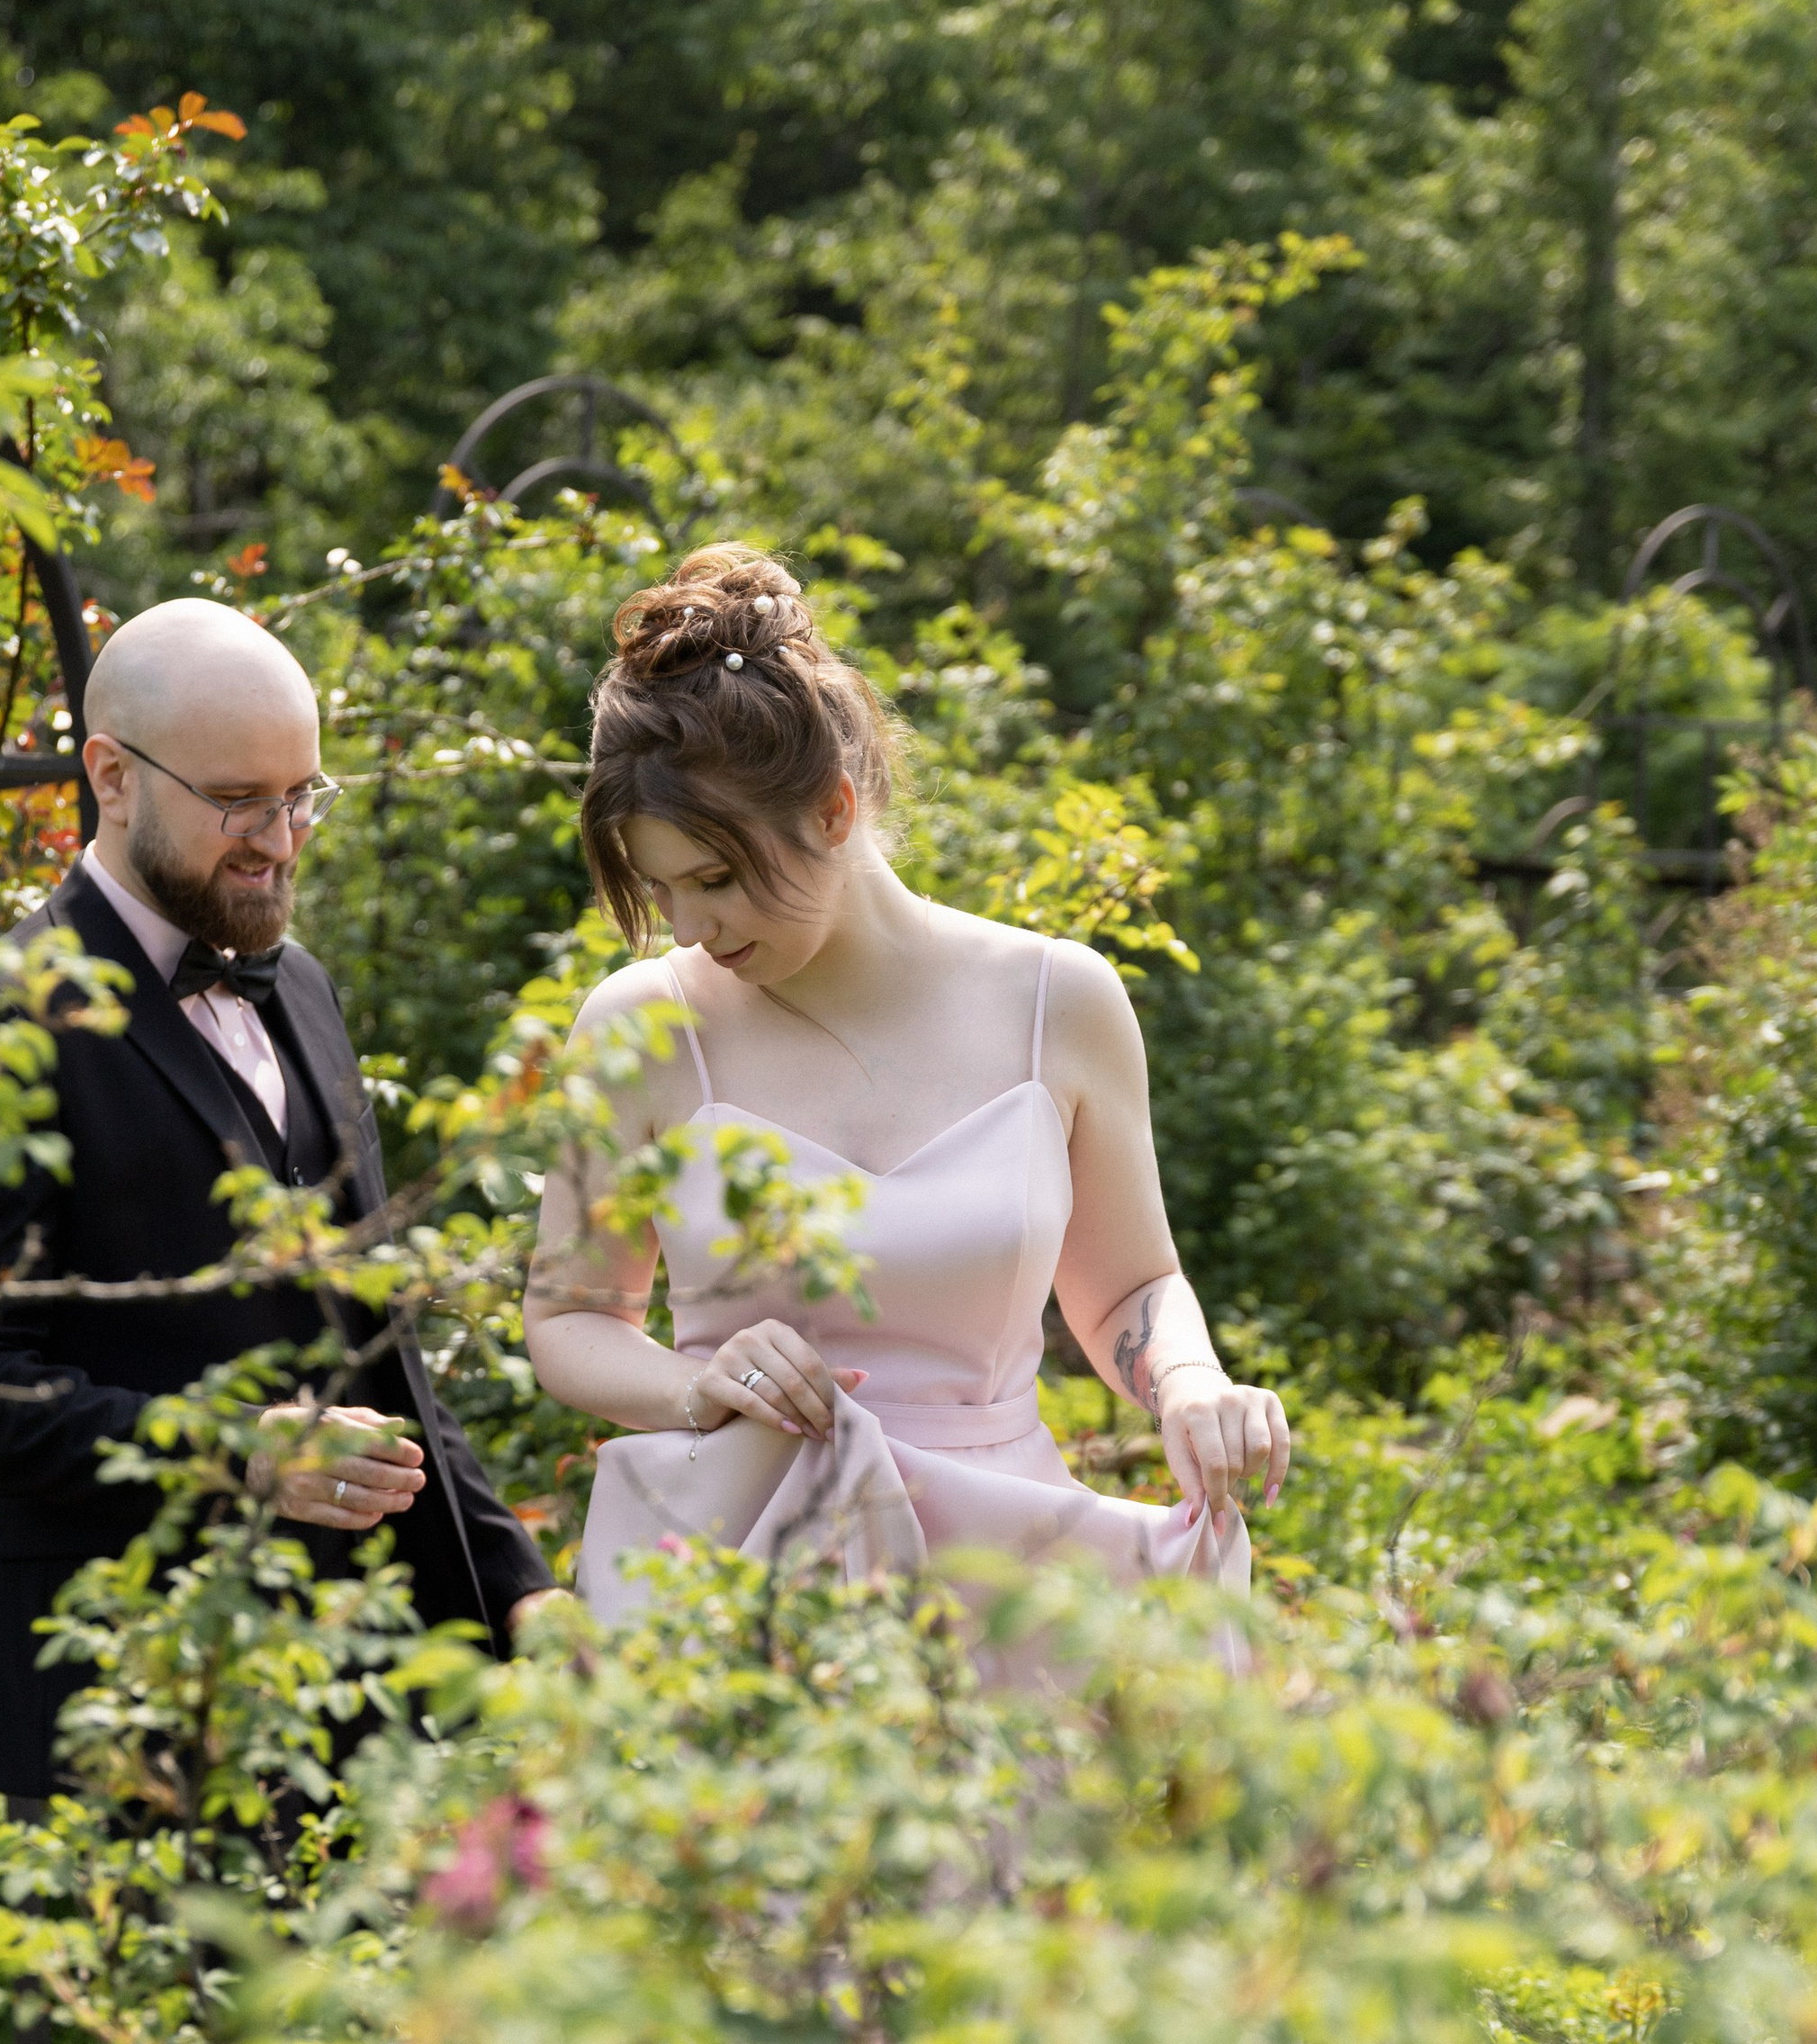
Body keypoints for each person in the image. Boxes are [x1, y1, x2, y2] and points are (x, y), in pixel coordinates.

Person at [523, 548, 1291, 1623]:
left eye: (716, 880)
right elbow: (568, 1318)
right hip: (731, 1570)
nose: (692, 927)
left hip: (1003, 1568)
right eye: (661, 889)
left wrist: (1190, 1382)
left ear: (834, 810)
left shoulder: (1056, 1002)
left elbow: (1129, 1290)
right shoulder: (642, 1028)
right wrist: (691, 1388)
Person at [0, 599, 551, 1801]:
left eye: (304, 797)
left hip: (358, 1710)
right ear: (112, 777)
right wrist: (235, 1455)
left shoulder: (300, 989)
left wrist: (517, 1588)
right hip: (123, 1719)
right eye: (242, 802)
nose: (283, 839)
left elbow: (374, 1342)